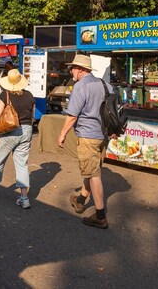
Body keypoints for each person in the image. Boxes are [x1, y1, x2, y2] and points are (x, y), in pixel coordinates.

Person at [57, 54, 110, 229]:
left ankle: (100, 215)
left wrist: (62, 134)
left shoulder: (80, 87)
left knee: (93, 174)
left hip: (88, 136)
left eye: (72, 67)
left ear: (80, 69)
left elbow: (72, 116)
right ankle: (80, 199)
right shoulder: (105, 84)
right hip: (104, 135)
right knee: (92, 168)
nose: (70, 70)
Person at [0, 69, 36, 209]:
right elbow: (32, 117)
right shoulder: (30, 96)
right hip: (27, 130)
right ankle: (24, 198)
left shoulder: (5, 95)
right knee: (22, 164)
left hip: (9, 131)